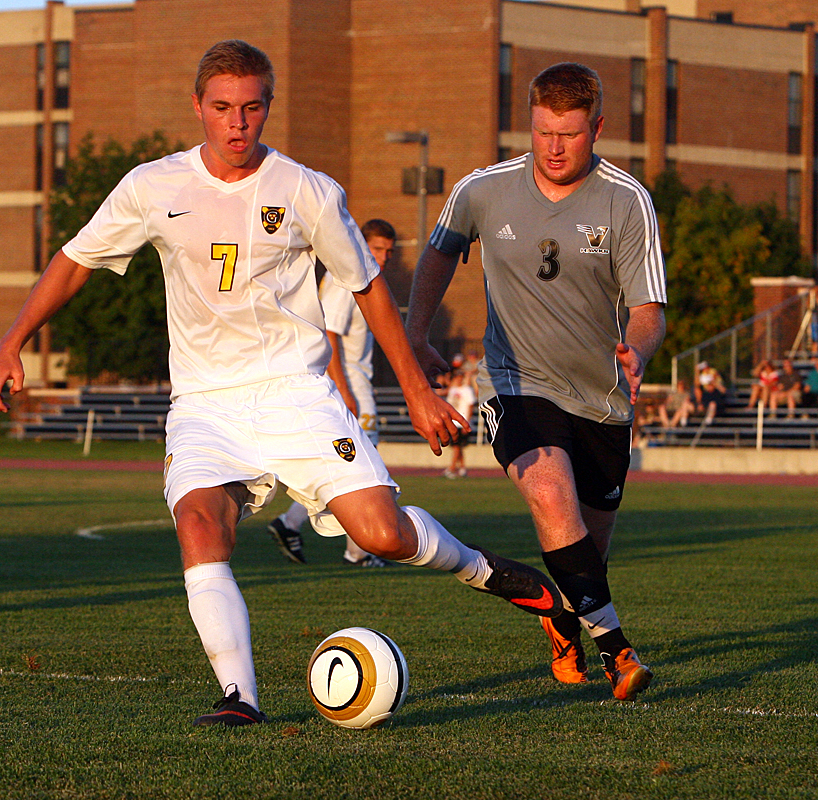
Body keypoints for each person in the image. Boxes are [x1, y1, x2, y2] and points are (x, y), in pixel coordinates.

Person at [0, 41, 561, 726]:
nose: (237, 123)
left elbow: (368, 287)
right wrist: (11, 342)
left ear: (268, 108)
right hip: (203, 403)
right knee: (198, 526)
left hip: (295, 391)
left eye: (252, 108)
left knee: (380, 536)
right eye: (223, 108)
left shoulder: (305, 190)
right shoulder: (152, 186)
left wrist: (413, 388)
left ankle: (485, 570)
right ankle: (240, 697)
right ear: (198, 106)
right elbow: (75, 261)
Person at [406, 63, 665, 701]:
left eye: (570, 134)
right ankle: (620, 651)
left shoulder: (626, 200)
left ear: (597, 129)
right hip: (515, 383)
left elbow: (650, 310)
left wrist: (637, 349)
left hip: (603, 402)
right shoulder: (482, 190)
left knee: (585, 552)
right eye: (543, 131)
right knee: (549, 489)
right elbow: (439, 249)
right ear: (530, 122)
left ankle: (563, 619)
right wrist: (415, 332)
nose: (554, 147)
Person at [267, 219, 396, 568]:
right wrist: (345, 390)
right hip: (351, 386)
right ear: (361, 244)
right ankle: (357, 553)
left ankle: (290, 522)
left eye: (388, 251)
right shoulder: (345, 279)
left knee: (345, 469)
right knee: (365, 471)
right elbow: (330, 334)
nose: (383, 257)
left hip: (353, 384)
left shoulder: (355, 275)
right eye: (377, 248)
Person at [444, 369, 476, 478]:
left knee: (457, 446)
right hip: (453, 422)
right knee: (458, 446)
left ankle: (452, 468)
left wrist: (466, 422)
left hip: (461, 421)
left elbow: (471, 406)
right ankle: (462, 468)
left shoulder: (467, 390)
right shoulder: (452, 390)